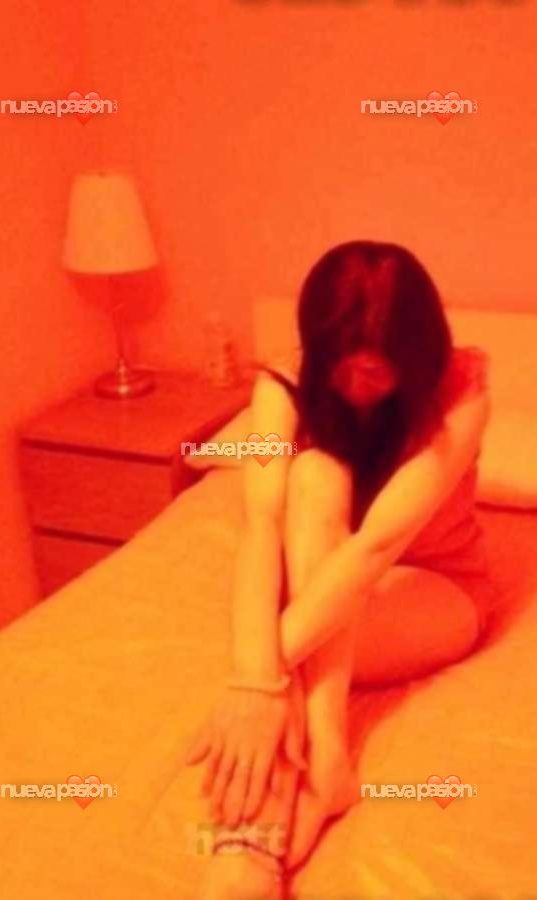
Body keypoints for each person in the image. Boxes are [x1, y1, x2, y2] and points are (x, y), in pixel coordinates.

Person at [185, 240, 499, 900]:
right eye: (344, 369)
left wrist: (259, 676)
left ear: (415, 354)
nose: (359, 390)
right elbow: (262, 525)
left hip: (436, 590)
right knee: (312, 473)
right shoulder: (283, 384)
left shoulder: (462, 389)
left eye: (379, 373)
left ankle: (255, 833)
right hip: (319, 586)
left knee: (288, 663)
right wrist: (255, 679)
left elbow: (374, 548)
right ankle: (325, 763)